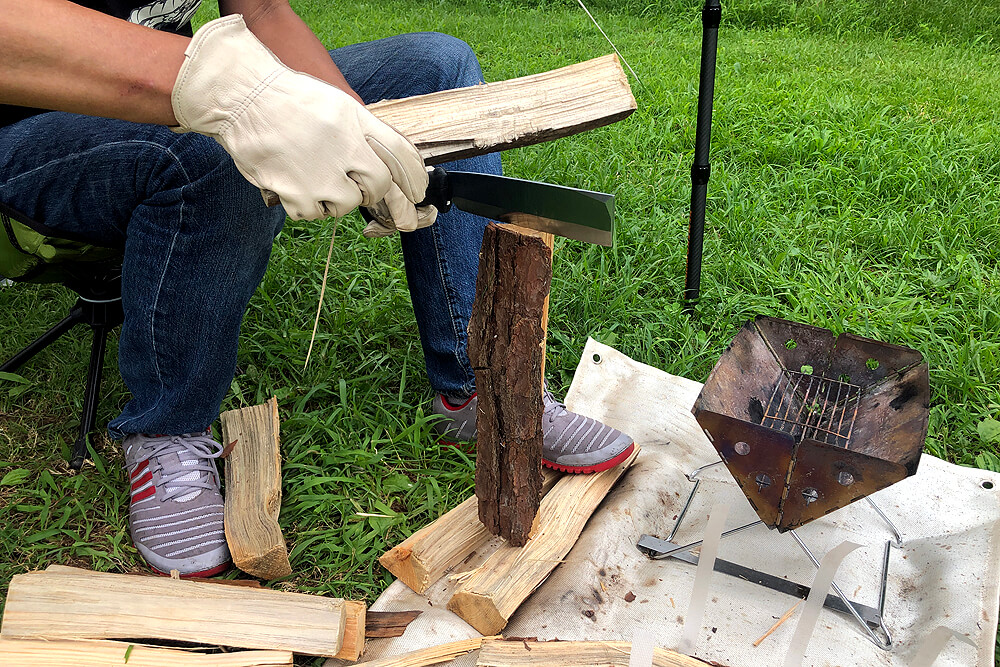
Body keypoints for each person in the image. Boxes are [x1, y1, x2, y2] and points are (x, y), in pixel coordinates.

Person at [0, 0, 635, 577]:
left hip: (173, 90)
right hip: (29, 132)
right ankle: (166, 430)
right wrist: (236, 97)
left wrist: (359, 136)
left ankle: (472, 390)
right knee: (217, 152)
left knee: (436, 64)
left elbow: (263, 9)